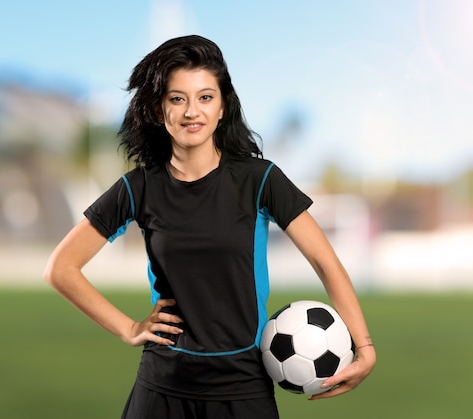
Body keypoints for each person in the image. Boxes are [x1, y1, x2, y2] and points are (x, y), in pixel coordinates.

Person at [44, 35, 376, 418]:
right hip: (162, 387)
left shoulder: (259, 180)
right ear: (158, 110)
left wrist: (364, 347)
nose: (191, 112)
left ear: (222, 108)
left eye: (205, 97)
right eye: (177, 98)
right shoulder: (139, 188)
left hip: (242, 388)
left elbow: (324, 262)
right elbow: (60, 268)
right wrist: (128, 327)